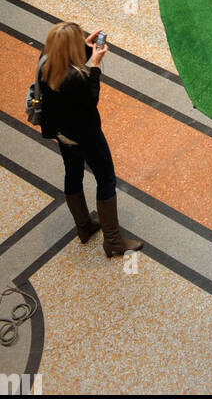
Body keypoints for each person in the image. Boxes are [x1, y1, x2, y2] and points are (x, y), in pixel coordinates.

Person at [39, 21, 142, 259]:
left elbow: (67, 65)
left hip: (63, 134)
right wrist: (94, 65)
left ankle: (83, 226)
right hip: (87, 136)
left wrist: (85, 49)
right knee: (106, 179)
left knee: (72, 173)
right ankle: (114, 242)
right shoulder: (75, 79)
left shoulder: (46, 61)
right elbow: (90, 98)